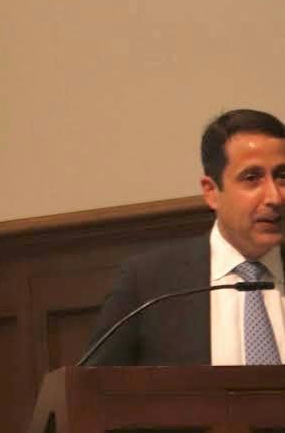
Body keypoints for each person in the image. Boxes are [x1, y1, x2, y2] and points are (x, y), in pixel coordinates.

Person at [85, 108, 285, 366]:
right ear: (211, 192)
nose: (274, 197)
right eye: (251, 178)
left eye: (282, 176)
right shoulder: (150, 283)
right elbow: (93, 391)